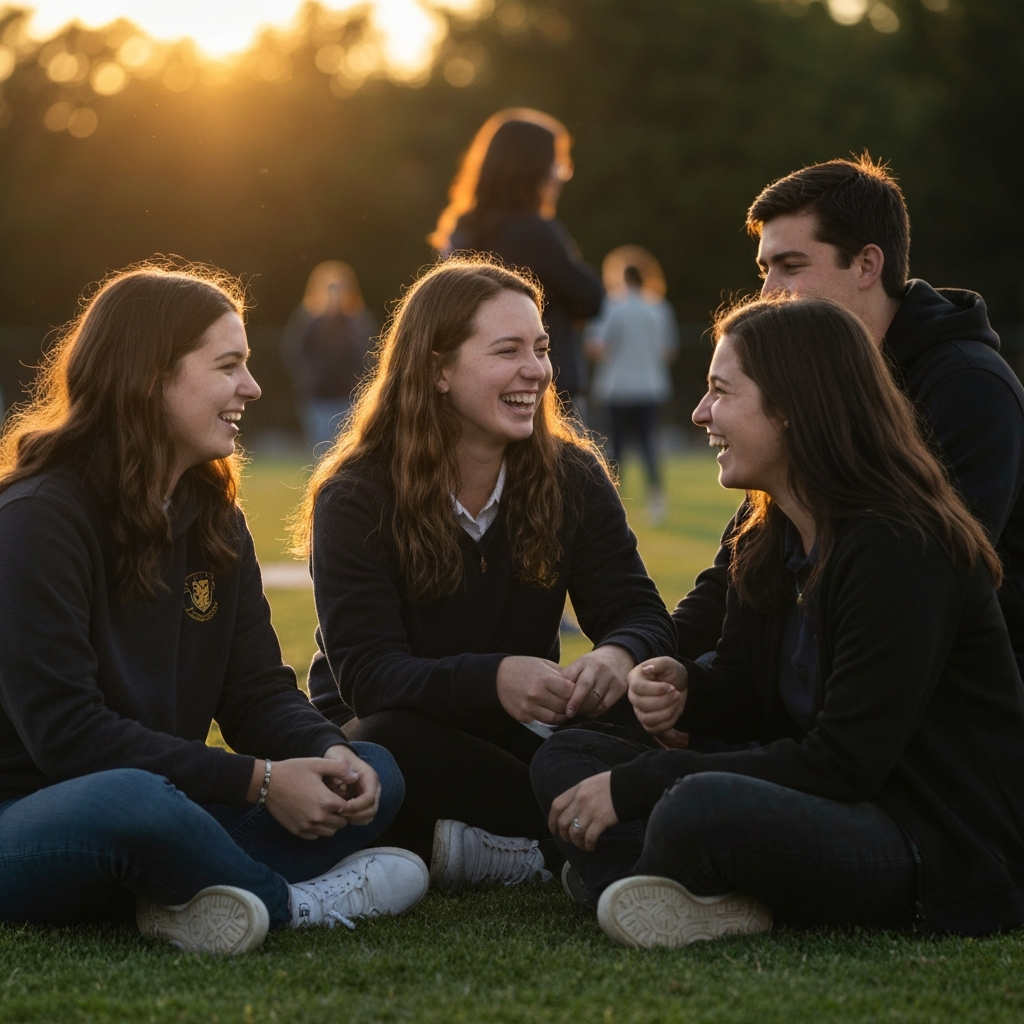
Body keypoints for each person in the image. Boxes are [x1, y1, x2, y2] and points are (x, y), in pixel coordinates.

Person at [532, 294, 1024, 948]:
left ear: (794, 408)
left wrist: (639, 783)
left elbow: (846, 763)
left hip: (926, 837)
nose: (700, 413)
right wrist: (686, 689)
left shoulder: (902, 547)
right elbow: (745, 693)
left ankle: (643, 872)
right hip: (829, 802)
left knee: (694, 807)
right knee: (570, 752)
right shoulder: (772, 533)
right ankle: (676, 886)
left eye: (720, 392)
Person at [0, 264, 427, 956]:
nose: (252, 389)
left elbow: (255, 691)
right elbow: (67, 735)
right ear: (149, 378)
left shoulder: (214, 519)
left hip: (170, 804)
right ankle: (291, 903)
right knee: (132, 804)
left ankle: (187, 892)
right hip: (39, 814)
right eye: (228, 367)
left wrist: (326, 755)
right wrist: (257, 782)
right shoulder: (37, 520)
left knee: (377, 765)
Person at [293, 257, 676, 890]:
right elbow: (368, 676)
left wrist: (617, 654)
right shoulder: (356, 493)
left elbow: (643, 616)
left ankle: (503, 848)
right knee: (378, 751)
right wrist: (493, 678)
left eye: (542, 349)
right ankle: (562, 846)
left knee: (641, 716)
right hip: (405, 731)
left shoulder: (572, 476)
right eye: (508, 351)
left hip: (520, 737)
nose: (538, 371)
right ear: (438, 369)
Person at [672, 156, 1024, 671]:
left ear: (866, 265)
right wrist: (643, 657)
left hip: (949, 702)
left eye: (791, 267)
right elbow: (745, 558)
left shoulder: (969, 387)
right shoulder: (810, 382)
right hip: (830, 673)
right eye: (765, 269)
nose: (769, 292)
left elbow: (926, 590)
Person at [430, 109, 603, 418]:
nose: (560, 174)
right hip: (545, 394)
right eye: (557, 162)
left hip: (476, 391)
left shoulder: (460, 232)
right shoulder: (535, 232)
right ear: (532, 168)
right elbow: (592, 298)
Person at [587, 263, 678, 525]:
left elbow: (597, 346)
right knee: (649, 444)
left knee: (616, 447)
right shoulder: (659, 307)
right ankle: (656, 501)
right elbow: (668, 351)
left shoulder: (613, 306)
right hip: (650, 386)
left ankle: (612, 502)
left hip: (617, 387)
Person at [280, 261, 377, 452]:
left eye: (339, 288)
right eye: (331, 288)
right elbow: (293, 351)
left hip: (350, 399)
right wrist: (309, 377)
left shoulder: (357, 322)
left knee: (348, 452)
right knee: (321, 451)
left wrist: (361, 383)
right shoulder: (309, 321)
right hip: (318, 399)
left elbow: (369, 354)